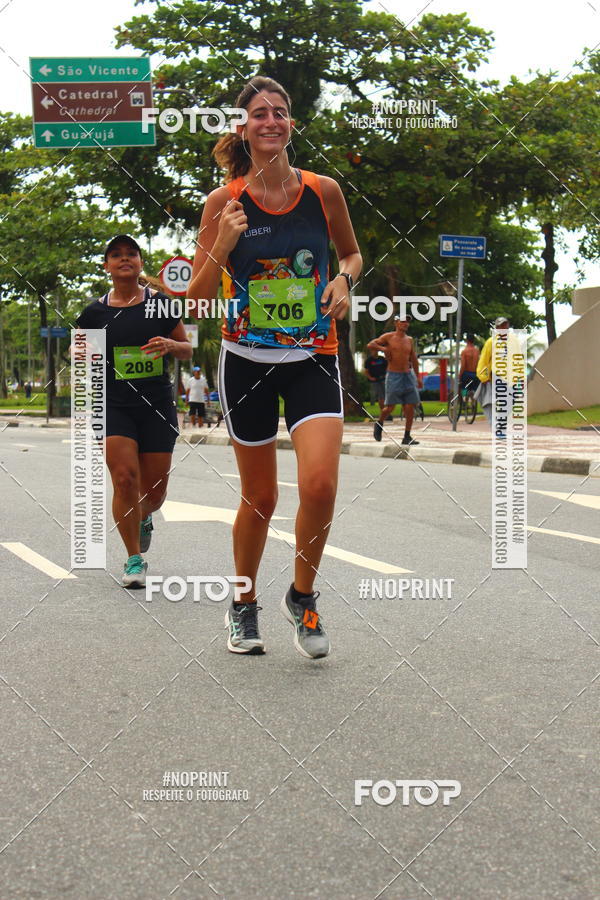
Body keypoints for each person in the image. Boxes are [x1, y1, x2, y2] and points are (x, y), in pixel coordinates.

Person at [187, 75, 362, 659]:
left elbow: (352, 253)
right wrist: (221, 241)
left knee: (319, 484)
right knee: (260, 497)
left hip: (314, 353)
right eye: (259, 113)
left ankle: (302, 597)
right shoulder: (224, 202)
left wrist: (343, 279)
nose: (271, 121)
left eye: (280, 112)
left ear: (290, 123)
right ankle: (242, 603)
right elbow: (197, 299)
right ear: (243, 128)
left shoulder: (323, 190)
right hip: (247, 361)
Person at [75, 235, 192, 587]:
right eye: (116, 255)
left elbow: (187, 348)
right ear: (107, 266)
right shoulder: (94, 313)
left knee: (154, 493)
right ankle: (134, 559)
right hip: (113, 405)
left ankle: (142, 517)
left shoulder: (161, 305)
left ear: (140, 263)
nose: (124, 259)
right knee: (124, 478)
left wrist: (172, 345)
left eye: (131, 254)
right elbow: (80, 356)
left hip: (156, 405)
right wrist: (80, 354)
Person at [368, 315, 421, 445]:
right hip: (393, 376)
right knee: (390, 407)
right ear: (396, 323)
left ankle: (407, 436)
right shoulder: (388, 337)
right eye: (402, 321)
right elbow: (370, 344)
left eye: (407, 322)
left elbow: (413, 359)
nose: (405, 324)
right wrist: (383, 349)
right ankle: (379, 424)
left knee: (410, 406)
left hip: (408, 375)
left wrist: (418, 377)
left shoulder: (409, 340)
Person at [476, 316, 513, 428]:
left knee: (510, 400)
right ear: (497, 328)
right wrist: (483, 377)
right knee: (493, 402)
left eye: (505, 325)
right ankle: (497, 426)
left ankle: (500, 423)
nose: (504, 328)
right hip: (495, 377)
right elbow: (483, 360)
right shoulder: (490, 342)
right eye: (501, 326)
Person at [363, 348, 387, 416]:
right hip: (375, 381)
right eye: (373, 350)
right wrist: (370, 378)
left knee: (385, 395)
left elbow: (387, 367)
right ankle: (383, 411)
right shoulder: (369, 360)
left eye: (376, 350)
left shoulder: (382, 359)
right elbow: (366, 371)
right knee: (380, 396)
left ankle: (386, 411)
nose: (374, 352)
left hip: (383, 379)